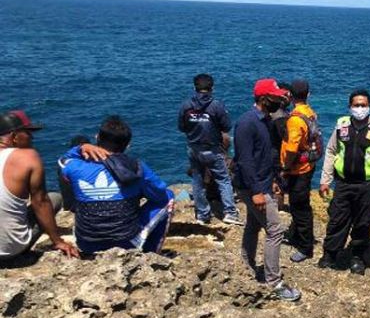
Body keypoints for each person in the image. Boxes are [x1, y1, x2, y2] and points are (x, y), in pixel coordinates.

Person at [59, 116, 175, 254]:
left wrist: (81, 148)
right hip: (125, 244)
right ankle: (151, 253)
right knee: (168, 196)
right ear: (127, 145)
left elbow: (62, 160)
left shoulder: (75, 166)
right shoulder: (137, 167)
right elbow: (160, 195)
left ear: (97, 138)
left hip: (86, 243)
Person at [234, 78, 301, 302]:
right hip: (253, 186)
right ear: (264, 99)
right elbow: (244, 160)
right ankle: (274, 281)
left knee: (253, 225)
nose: (279, 100)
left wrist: (272, 179)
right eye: (274, 97)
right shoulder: (247, 123)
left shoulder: (263, 121)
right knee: (275, 230)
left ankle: (246, 263)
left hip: (263, 182)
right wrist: (256, 191)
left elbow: (264, 155)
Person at [318, 89, 370, 274]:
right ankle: (330, 254)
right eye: (356, 105)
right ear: (349, 107)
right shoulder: (341, 125)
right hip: (343, 183)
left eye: (363, 105)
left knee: (363, 222)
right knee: (337, 220)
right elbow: (331, 150)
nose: (359, 108)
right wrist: (325, 180)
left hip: (368, 185)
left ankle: (357, 256)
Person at [0, 110, 79, 260]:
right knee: (54, 198)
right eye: (28, 132)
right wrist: (58, 241)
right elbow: (40, 202)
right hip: (9, 252)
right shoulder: (28, 156)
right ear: (14, 137)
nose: (31, 137)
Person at [178, 73, 242, 225]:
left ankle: (202, 214)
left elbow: (181, 127)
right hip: (212, 148)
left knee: (197, 179)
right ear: (211, 88)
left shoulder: (186, 105)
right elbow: (226, 126)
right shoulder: (216, 105)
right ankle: (230, 212)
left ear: (195, 87)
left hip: (193, 147)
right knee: (223, 179)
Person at [280, 79, 321, 262]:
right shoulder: (310, 113)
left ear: (290, 96)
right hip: (309, 165)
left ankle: (305, 247)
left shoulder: (295, 119)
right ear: (308, 94)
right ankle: (298, 235)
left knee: (299, 207)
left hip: (298, 169)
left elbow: (291, 148)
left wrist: (285, 167)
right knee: (300, 204)